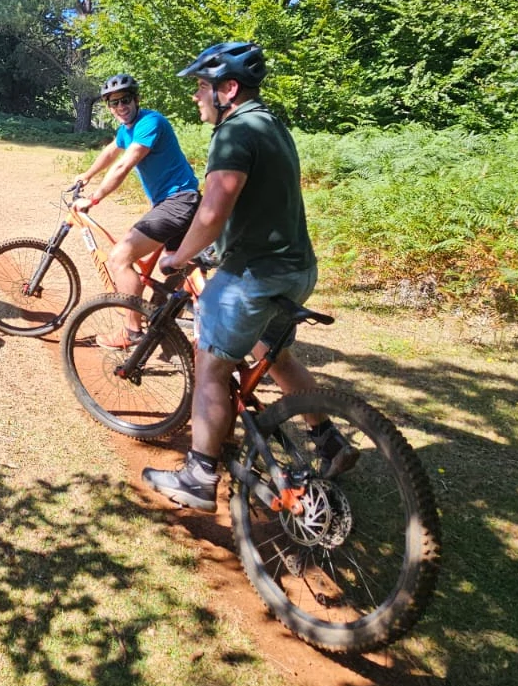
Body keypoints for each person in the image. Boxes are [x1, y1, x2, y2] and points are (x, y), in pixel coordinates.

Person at [143, 42, 356, 512]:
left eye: (202, 87)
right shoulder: (273, 125)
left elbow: (214, 212)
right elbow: (259, 204)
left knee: (211, 367)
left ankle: (199, 475)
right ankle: (328, 441)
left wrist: (178, 256)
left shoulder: (235, 131)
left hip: (253, 275)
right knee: (273, 353)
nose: (196, 96)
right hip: (296, 269)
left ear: (229, 89)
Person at [71, 73, 201, 346]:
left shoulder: (150, 122)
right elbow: (110, 153)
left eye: (125, 100)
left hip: (177, 202)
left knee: (120, 257)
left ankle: (131, 331)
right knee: (183, 270)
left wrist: (93, 199)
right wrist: (87, 174)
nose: (120, 107)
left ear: (136, 99)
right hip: (180, 202)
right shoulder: (125, 129)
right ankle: (173, 322)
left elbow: (124, 164)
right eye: (113, 103)